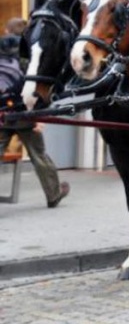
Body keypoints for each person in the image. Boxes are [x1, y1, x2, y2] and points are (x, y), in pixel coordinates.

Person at [0, 23, 70, 207]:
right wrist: (40, 117)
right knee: (39, 156)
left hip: (2, 114)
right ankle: (54, 194)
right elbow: (39, 89)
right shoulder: (30, 58)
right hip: (26, 115)